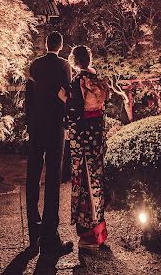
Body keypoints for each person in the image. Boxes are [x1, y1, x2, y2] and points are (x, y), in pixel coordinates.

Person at [25, 31, 73, 258]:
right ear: (60, 46)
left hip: (36, 126)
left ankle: (33, 236)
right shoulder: (64, 66)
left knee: (33, 176)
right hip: (54, 127)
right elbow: (68, 94)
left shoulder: (34, 66)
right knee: (53, 179)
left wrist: (29, 124)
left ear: (46, 45)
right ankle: (50, 237)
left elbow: (28, 98)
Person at [68, 45, 109, 251]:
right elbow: (102, 109)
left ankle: (87, 236)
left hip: (83, 138)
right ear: (89, 60)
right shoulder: (98, 80)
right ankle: (100, 233)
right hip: (97, 137)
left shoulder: (77, 82)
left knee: (83, 180)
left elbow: (73, 113)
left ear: (74, 60)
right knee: (97, 179)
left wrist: (63, 98)